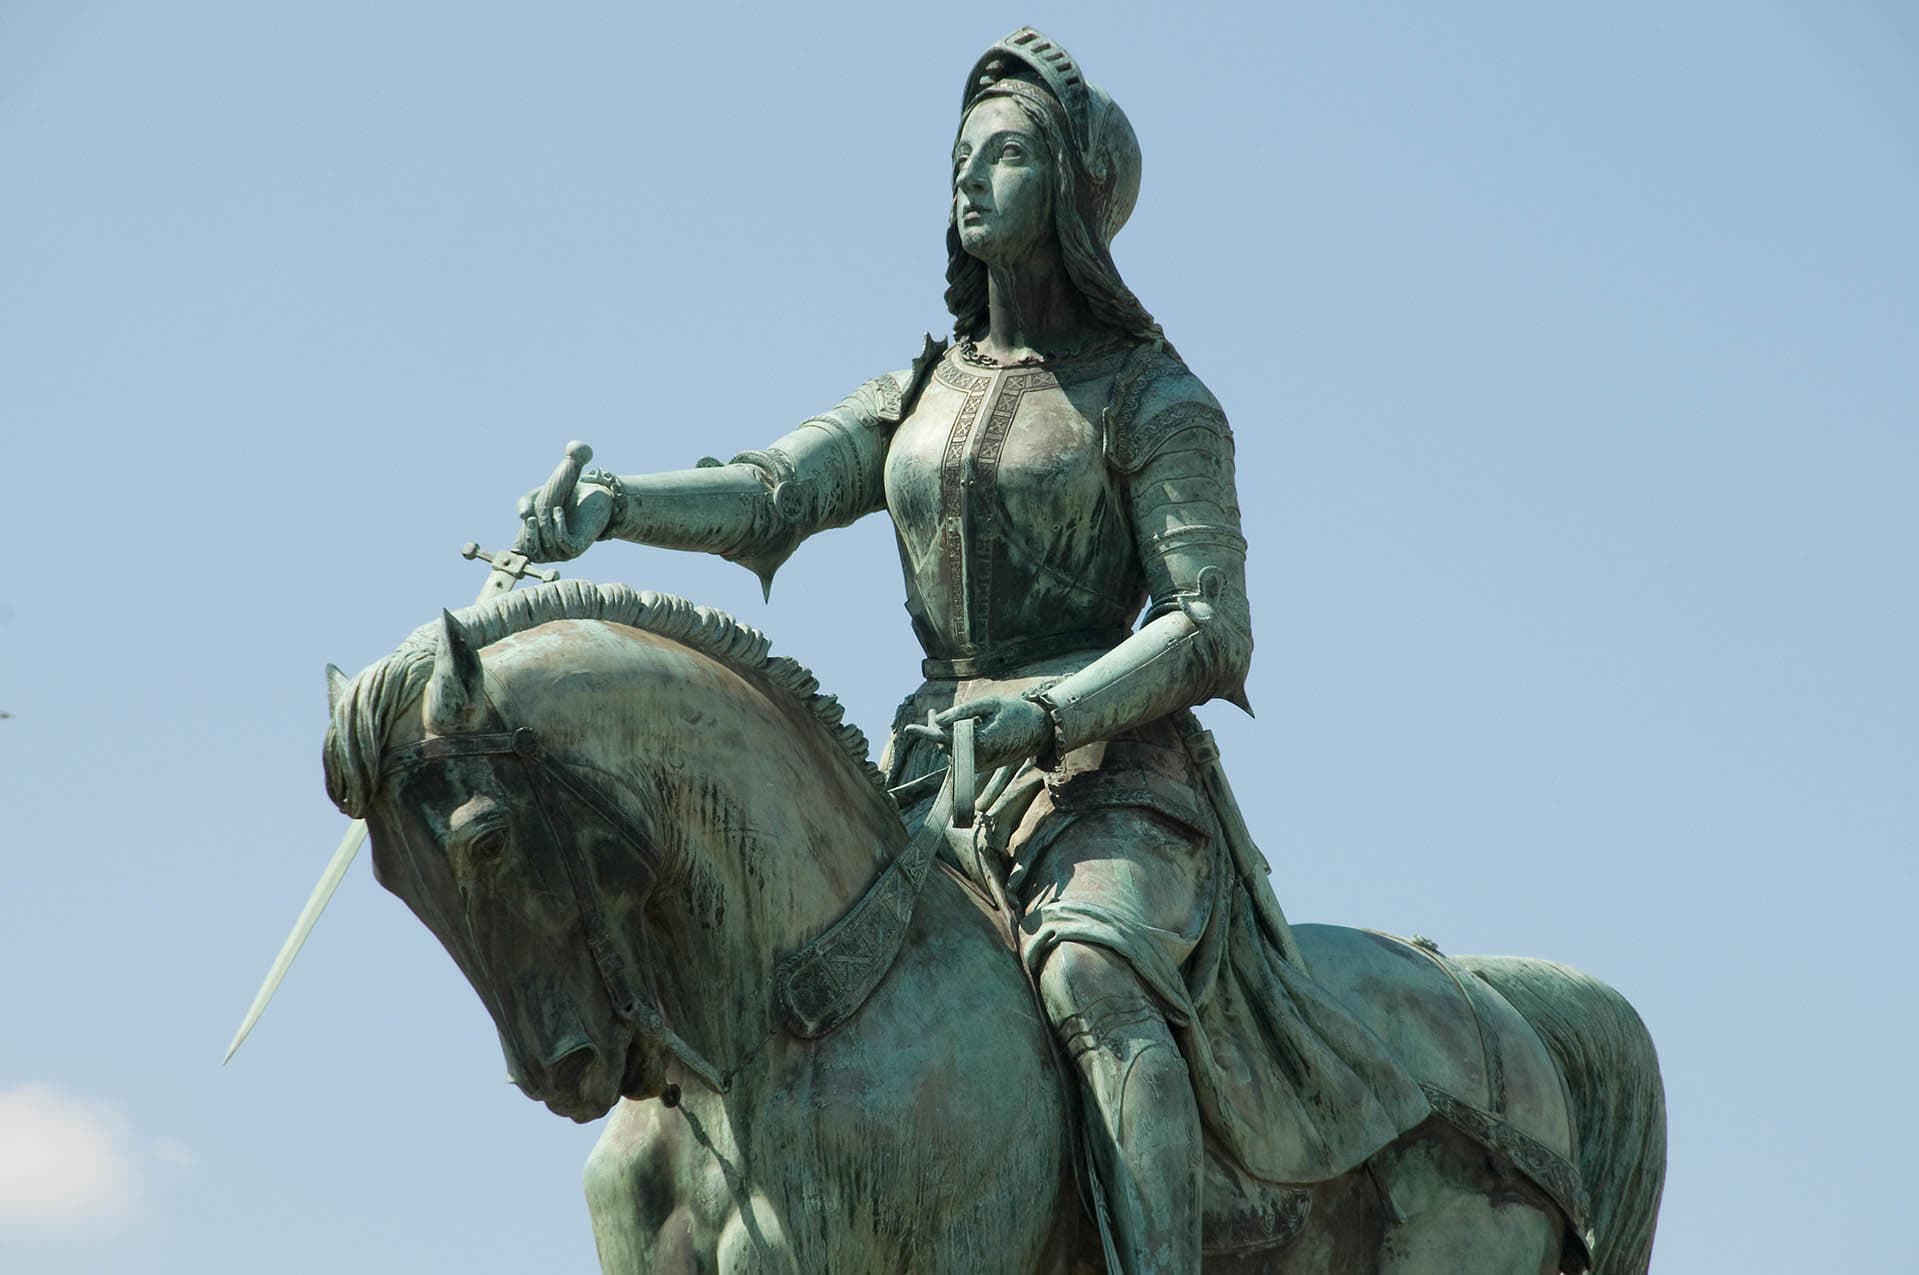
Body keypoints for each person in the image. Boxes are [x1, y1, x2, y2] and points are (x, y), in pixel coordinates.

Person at [513, 28, 1427, 1274]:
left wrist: (1050, 717)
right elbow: (774, 489)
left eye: (1005, 155)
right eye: (962, 155)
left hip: (1110, 784)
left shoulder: (1157, 402)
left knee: (1094, 978)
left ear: (1075, 198)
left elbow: (1210, 626)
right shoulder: (923, 387)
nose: (969, 176)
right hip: (929, 775)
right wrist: (617, 504)